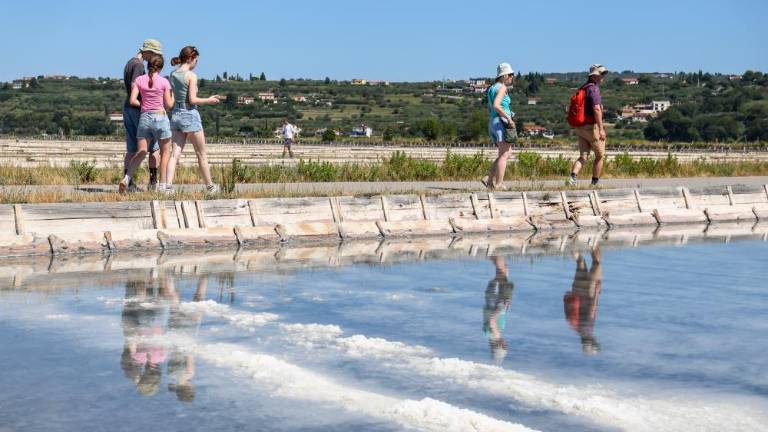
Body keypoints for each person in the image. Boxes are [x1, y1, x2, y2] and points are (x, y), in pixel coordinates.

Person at [165, 46, 222, 195]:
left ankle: (168, 187)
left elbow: (172, 99)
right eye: (196, 59)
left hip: (176, 114)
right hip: (190, 114)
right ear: (191, 58)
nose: (197, 62)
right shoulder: (191, 76)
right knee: (201, 154)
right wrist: (209, 100)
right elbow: (192, 99)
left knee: (174, 154)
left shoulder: (172, 74)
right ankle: (210, 187)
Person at [120, 55, 174, 193]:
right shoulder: (164, 82)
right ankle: (161, 185)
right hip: (160, 118)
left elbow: (132, 100)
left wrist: (144, 104)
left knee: (141, 152)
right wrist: (173, 96)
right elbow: (168, 104)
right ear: (161, 68)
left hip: (144, 118)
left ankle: (127, 178)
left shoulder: (139, 80)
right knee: (164, 153)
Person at [122, 39, 163, 191]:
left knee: (131, 149)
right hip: (139, 109)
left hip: (127, 108)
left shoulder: (130, 62)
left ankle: (128, 182)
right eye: (155, 54)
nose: (155, 58)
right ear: (149, 52)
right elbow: (136, 87)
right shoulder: (139, 65)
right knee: (154, 148)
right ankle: (153, 182)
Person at [566, 64, 609, 186]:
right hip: (591, 127)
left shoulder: (583, 88)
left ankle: (572, 178)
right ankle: (594, 183)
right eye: (602, 74)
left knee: (583, 156)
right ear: (595, 76)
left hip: (580, 127)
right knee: (600, 156)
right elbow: (596, 109)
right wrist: (601, 129)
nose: (603, 77)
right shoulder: (594, 89)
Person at [482, 63, 517, 190]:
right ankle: (499, 184)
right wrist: (508, 119)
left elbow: (492, 106)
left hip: (493, 121)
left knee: (506, 153)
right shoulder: (502, 88)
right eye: (511, 75)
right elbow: (497, 105)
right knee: (504, 154)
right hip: (501, 122)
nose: (512, 77)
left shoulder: (491, 88)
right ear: (505, 76)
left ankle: (489, 179)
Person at [563, 247, 603, 355]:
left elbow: (592, 309)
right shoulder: (577, 329)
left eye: (595, 342)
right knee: (580, 261)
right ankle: (572, 244)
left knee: (597, 263)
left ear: (591, 341)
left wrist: (597, 291)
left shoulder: (587, 328)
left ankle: (593, 242)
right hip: (576, 290)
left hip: (589, 291)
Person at [483, 256, 515, 365]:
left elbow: (492, 320)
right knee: (504, 273)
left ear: (501, 345)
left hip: (496, 300)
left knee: (502, 273)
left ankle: (496, 253)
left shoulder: (496, 335)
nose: (506, 344)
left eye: (505, 346)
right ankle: (493, 256)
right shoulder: (488, 335)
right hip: (491, 298)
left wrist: (502, 308)